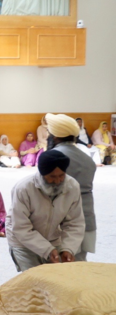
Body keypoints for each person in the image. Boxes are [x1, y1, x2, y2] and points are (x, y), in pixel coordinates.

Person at [6, 150, 85, 272]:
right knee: (33, 281)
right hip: (22, 240)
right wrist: (46, 249)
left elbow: (75, 222)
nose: (58, 181)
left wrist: (68, 248)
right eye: (52, 177)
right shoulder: (23, 189)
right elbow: (21, 228)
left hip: (53, 238)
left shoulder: (72, 186)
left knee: (57, 279)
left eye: (61, 175)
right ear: (42, 174)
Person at [47, 113, 97, 261]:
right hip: (87, 217)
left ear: (55, 136)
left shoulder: (52, 157)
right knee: (80, 263)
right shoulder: (87, 158)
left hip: (63, 221)